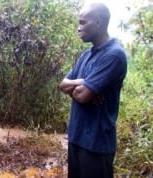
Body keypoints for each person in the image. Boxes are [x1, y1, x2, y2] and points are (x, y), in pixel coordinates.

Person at [59, 2, 127, 178]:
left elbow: (81, 95)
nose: (79, 28)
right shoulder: (86, 55)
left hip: (97, 145)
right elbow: (63, 85)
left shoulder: (114, 55)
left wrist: (82, 88)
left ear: (97, 22)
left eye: (83, 22)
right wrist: (83, 82)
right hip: (76, 138)